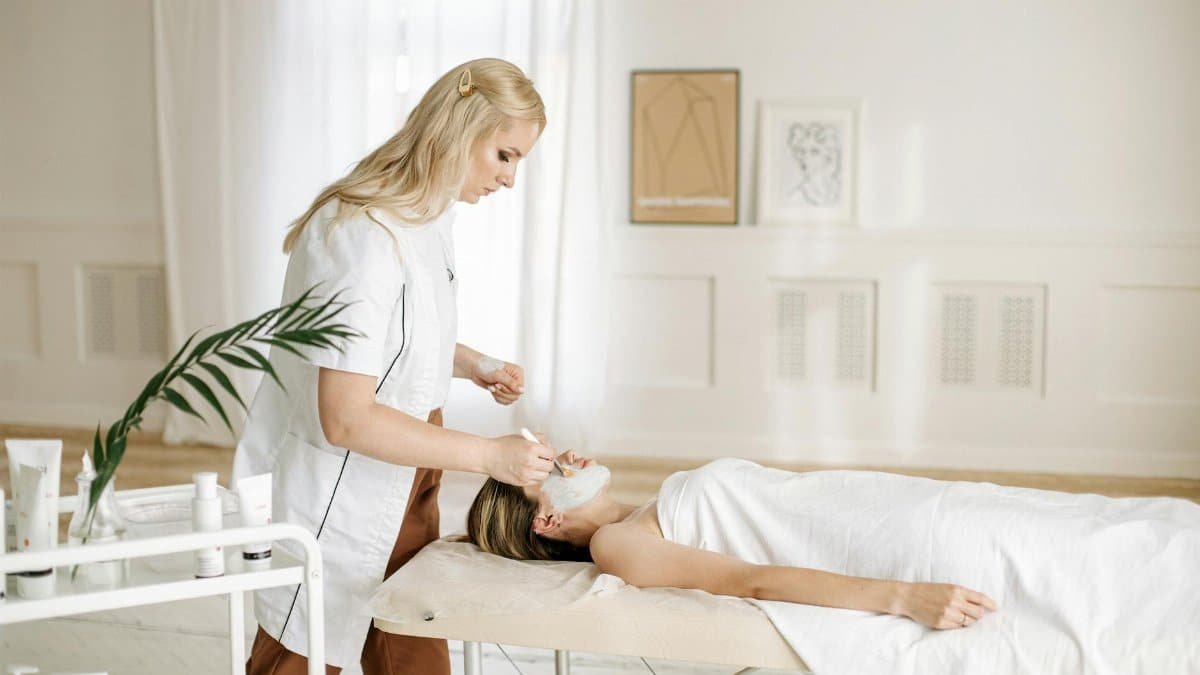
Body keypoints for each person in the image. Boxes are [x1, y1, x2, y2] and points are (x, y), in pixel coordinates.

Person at [233, 58, 553, 675]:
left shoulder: (426, 219)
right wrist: (491, 456)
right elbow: (347, 417)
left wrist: (472, 363)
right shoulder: (360, 234)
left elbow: (395, 339)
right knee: (303, 650)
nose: (510, 179)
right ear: (463, 128)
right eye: (505, 155)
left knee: (413, 647)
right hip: (341, 488)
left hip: (411, 480)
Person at [466, 456, 1200, 673]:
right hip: (910, 549)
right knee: (1097, 571)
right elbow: (746, 581)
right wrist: (902, 597)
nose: (567, 455)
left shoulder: (643, 508)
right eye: (548, 468)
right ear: (548, 518)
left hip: (906, 507)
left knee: (1111, 530)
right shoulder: (614, 545)